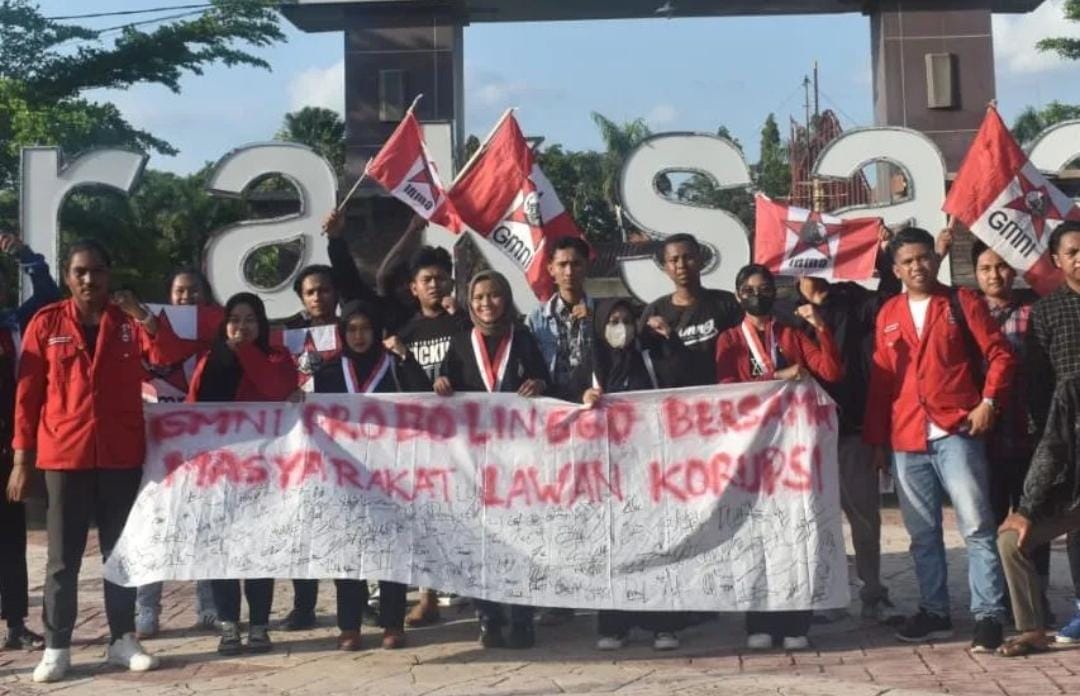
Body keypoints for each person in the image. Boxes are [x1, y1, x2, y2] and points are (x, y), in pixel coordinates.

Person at [7, 239, 187, 682]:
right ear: (68, 277)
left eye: (97, 271)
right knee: (62, 559)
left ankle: (122, 638)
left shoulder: (128, 321)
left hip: (120, 454)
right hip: (64, 455)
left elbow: (167, 357)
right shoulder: (47, 322)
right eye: (80, 272)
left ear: (109, 274)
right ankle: (57, 646)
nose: (90, 280)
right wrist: (21, 459)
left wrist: (141, 314)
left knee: (120, 552)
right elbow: (27, 397)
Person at [864, 227, 1014, 653]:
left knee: (977, 526)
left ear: (936, 257)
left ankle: (988, 614)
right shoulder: (888, 313)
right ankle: (935, 612)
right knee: (922, 533)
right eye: (907, 261)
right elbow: (881, 382)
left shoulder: (961, 302)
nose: (917, 267)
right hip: (906, 436)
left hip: (956, 432)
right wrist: (877, 441)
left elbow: (1000, 354)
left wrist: (989, 402)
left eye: (923, 257)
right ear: (896, 269)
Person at [772, 230, 902, 624]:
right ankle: (825, 595)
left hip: (850, 428)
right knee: (814, 519)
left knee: (864, 517)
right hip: (801, 437)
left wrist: (883, 255)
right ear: (794, 265)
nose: (814, 266)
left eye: (820, 256)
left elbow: (889, 299)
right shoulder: (780, 312)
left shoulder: (851, 299)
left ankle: (873, 592)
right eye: (806, 257)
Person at [715, 264, 843, 651]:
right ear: (738, 295)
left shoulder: (790, 333)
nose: (758, 295)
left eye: (765, 288)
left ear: (775, 292)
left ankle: (796, 622)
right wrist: (776, 377)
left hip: (792, 450)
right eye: (750, 289)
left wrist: (820, 327)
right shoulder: (729, 340)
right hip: (751, 451)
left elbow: (831, 371)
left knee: (795, 532)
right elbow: (727, 389)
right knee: (755, 536)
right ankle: (759, 621)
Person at [434, 270, 548, 649]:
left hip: (518, 457)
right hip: (475, 460)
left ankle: (522, 619)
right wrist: (441, 384)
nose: (487, 303)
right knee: (480, 540)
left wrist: (539, 384)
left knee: (520, 538)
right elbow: (445, 383)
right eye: (479, 297)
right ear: (470, 302)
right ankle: (488, 618)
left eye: (494, 295)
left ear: (507, 298)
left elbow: (545, 381)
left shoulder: (524, 338)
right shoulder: (460, 342)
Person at [312, 300, 431, 650]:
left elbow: (424, 397)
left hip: (390, 472)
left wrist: (406, 357)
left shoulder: (393, 366)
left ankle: (393, 623)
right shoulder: (329, 372)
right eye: (351, 329)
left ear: (377, 331)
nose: (359, 336)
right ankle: (349, 625)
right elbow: (313, 415)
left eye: (365, 328)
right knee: (348, 549)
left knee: (391, 546)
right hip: (345, 473)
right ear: (342, 333)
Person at [187, 292, 299, 656]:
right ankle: (229, 625)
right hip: (218, 472)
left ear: (262, 324)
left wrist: (245, 352)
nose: (242, 326)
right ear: (224, 325)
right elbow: (194, 410)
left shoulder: (277, 357)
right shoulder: (210, 361)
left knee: (258, 550)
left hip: (263, 471)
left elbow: (274, 387)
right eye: (234, 319)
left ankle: (260, 624)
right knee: (222, 551)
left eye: (250, 319)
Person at [584, 299, 691, 652]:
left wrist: (670, 341)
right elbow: (564, 403)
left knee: (657, 545)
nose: (621, 327)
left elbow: (682, 382)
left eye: (627, 320)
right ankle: (615, 626)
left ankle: (663, 626)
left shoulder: (650, 355)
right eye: (612, 321)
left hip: (651, 469)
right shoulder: (592, 365)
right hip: (608, 473)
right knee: (613, 549)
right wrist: (583, 397)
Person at [136, 268, 221, 638]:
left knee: (204, 526)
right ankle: (146, 609)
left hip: (201, 444)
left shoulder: (215, 333)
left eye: (194, 291)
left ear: (205, 295)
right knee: (153, 526)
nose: (186, 297)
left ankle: (210, 606)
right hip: (156, 445)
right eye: (180, 291)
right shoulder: (146, 328)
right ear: (169, 296)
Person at [392, 245, 469, 627]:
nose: (434, 285)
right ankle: (427, 596)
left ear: (450, 283)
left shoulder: (464, 324)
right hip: (421, 442)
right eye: (427, 280)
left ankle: (476, 590)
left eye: (440, 278)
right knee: (424, 518)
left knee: (467, 513)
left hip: (464, 437)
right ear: (414, 288)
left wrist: (462, 316)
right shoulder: (404, 334)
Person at [525, 235, 594, 627]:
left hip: (597, 423)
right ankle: (559, 595)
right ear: (550, 269)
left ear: (586, 267)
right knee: (555, 510)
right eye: (562, 265)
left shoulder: (605, 312)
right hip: (552, 426)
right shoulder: (535, 320)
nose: (569, 271)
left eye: (576, 264)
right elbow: (528, 367)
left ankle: (600, 589)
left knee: (595, 507)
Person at [0, 232, 59, 651]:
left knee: (10, 539)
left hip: (9, 452)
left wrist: (25, 255)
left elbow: (50, 296)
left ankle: (16, 625)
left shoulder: (15, 325)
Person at [997, 375, 1080, 656]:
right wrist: (1026, 509)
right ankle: (1032, 630)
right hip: (1074, 496)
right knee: (1011, 540)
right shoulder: (1072, 390)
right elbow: (1051, 449)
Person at [1025, 220, 1080, 644]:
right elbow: (1038, 383)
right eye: (1073, 252)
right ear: (1057, 260)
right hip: (1071, 434)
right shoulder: (1046, 312)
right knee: (1078, 524)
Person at [639, 233, 742, 388]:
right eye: (674, 260)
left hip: (724, 393)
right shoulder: (655, 311)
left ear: (701, 261)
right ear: (665, 267)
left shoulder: (727, 303)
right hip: (678, 398)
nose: (681, 265)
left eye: (688, 257)